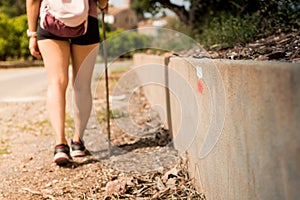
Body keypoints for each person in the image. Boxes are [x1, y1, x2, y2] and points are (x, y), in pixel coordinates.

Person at [26, 0, 109, 165]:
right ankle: (77, 142)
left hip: (50, 20)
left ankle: (60, 145)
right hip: (87, 20)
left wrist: (32, 33)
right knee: (82, 85)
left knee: (56, 83)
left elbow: (33, 0)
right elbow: (102, 2)